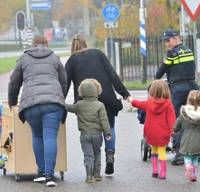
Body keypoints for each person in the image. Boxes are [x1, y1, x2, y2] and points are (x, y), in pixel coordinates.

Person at [65, 34, 130, 175]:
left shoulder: (71, 60)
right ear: (85, 43)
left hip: (84, 102)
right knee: (110, 127)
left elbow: (65, 84)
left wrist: (59, 101)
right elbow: (112, 74)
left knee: (89, 131)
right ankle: (110, 155)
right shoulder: (98, 54)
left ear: (73, 46)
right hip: (106, 97)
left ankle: (93, 162)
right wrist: (124, 92)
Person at [8, 36, 67, 187]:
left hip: (31, 105)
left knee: (37, 135)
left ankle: (41, 172)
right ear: (46, 44)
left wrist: (12, 102)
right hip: (53, 105)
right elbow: (64, 81)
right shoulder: (54, 58)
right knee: (50, 137)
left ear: (33, 44)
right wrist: (60, 97)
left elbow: (14, 82)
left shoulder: (24, 58)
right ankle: (49, 176)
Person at [155, 29, 200, 165]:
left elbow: (161, 70)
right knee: (193, 118)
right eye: (165, 41)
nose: (167, 44)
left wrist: (155, 83)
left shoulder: (173, 54)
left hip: (179, 89)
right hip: (193, 88)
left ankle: (180, 153)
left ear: (176, 38)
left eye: (168, 40)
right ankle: (196, 152)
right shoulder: (189, 51)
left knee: (178, 119)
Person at [127, 80, 176, 179]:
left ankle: (154, 171)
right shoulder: (168, 104)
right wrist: (173, 130)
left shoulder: (149, 103)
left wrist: (130, 99)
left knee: (154, 150)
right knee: (162, 151)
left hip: (151, 132)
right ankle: (162, 173)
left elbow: (138, 104)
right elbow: (172, 119)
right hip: (163, 133)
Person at [66, 79, 112, 183]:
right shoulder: (100, 105)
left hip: (84, 135)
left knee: (88, 155)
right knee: (97, 154)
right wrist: (108, 132)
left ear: (81, 92)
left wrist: (61, 104)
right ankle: (97, 174)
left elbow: (70, 108)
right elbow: (104, 120)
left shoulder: (79, 104)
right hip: (97, 135)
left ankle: (89, 176)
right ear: (96, 91)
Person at [174, 90, 200, 181]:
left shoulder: (184, 113)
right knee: (195, 157)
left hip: (187, 140)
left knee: (187, 157)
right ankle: (193, 174)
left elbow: (176, 126)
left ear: (188, 99)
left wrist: (175, 131)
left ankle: (188, 167)